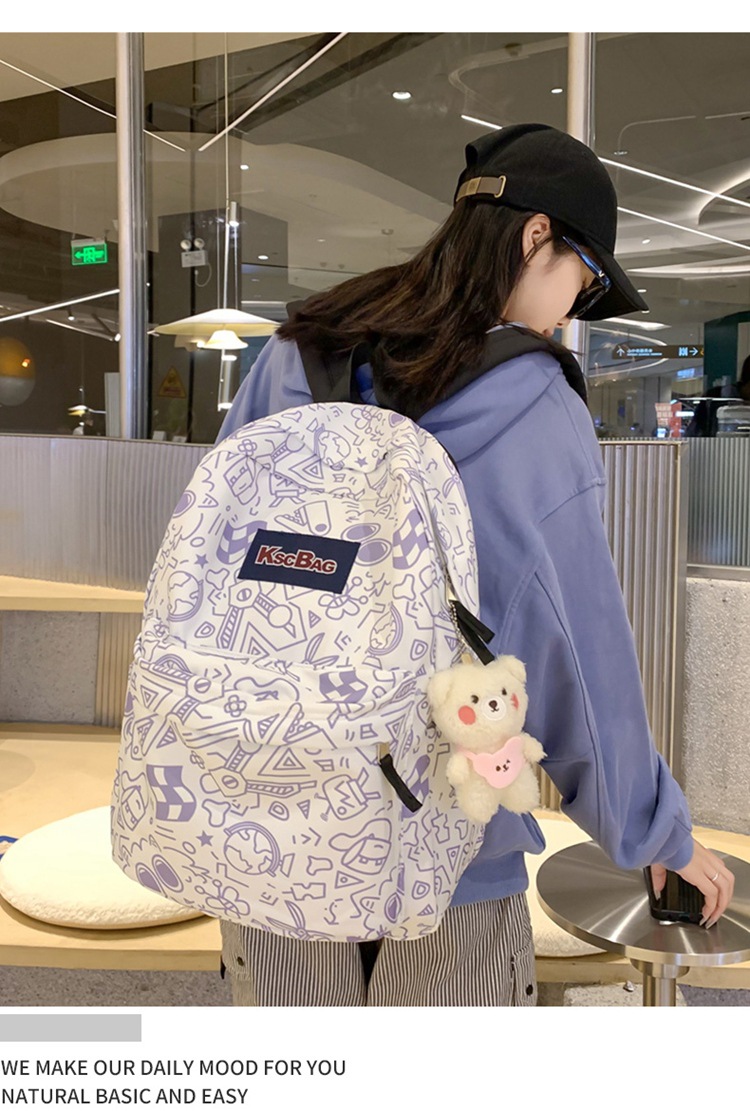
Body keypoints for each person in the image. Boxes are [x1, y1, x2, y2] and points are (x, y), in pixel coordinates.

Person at [214, 122, 735, 1006]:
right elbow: (578, 656)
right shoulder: (533, 405)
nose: (571, 309)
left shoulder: (301, 349)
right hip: (447, 842)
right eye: (585, 277)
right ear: (536, 235)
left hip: (273, 810)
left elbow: (214, 563)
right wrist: (656, 832)